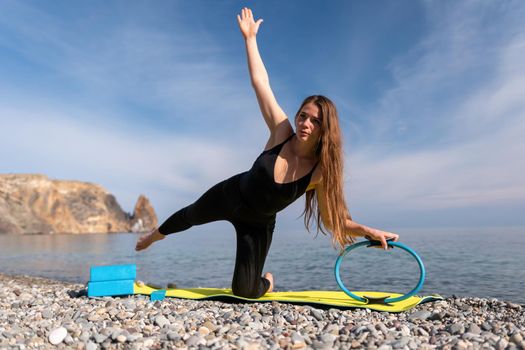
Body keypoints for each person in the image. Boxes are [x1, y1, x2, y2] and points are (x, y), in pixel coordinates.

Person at [135, 7, 399, 299]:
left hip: (258, 224)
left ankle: (268, 282)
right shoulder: (281, 131)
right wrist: (250, 39)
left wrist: (368, 231)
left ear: (326, 129)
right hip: (230, 194)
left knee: (245, 291)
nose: (305, 123)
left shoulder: (320, 171)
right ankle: (153, 236)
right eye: (303, 116)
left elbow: (332, 220)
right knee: (189, 216)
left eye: (315, 121)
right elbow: (261, 84)